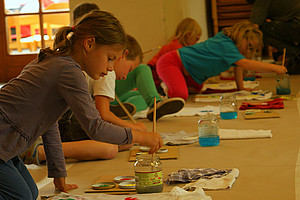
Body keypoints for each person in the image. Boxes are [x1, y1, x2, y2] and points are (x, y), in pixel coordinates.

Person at [0, 10, 163, 199]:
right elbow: (96, 128)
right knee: (21, 197)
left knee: (31, 192)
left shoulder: (59, 63)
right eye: (109, 58)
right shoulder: (69, 71)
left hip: (9, 145)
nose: (111, 68)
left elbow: (48, 123)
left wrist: (58, 171)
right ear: (89, 43)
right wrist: (140, 137)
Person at [156, 21, 288, 100]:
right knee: (180, 95)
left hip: (190, 74)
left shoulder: (231, 46)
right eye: (248, 46)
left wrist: (240, 87)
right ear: (241, 36)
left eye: (251, 49)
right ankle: (165, 90)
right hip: (171, 62)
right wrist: (274, 68)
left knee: (197, 90)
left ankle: (173, 84)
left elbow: (239, 66)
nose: (248, 51)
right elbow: (245, 64)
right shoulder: (226, 45)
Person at [148, 17, 202, 95]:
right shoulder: (176, 49)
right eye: (196, 39)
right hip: (155, 81)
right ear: (188, 35)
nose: (196, 43)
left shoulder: (176, 46)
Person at [248, 0, 300, 74]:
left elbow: (253, 29)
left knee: (260, 32)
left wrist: (244, 57)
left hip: (297, 25)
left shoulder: (261, 2)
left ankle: (296, 53)